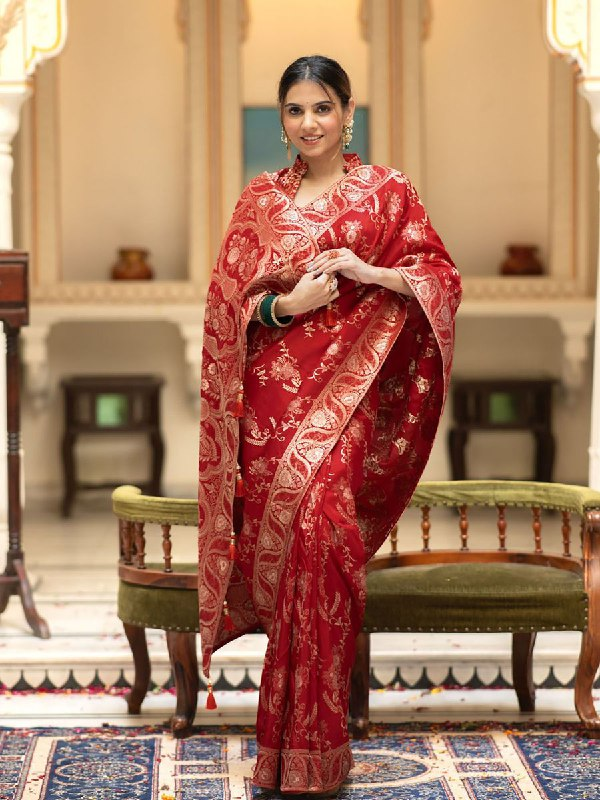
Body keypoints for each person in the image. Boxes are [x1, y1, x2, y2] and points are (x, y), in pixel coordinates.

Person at [198, 55, 461, 797]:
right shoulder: (260, 201)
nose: (309, 123)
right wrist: (292, 307)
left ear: (349, 113)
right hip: (271, 408)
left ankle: (320, 747)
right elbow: (227, 310)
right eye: (294, 110)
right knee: (293, 559)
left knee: (324, 540)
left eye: (322, 108)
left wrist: (373, 275)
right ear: (281, 121)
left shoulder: (386, 193)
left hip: (346, 403)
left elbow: (440, 277)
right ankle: (282, 754)